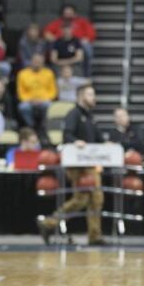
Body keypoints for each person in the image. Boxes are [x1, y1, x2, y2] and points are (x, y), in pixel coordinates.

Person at [37, 85, 106, 246]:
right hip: (77, 165)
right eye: (90, 94)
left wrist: (107, 144)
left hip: (91, 163)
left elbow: (98, 138)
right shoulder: (73, 114)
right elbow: (66, 134)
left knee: (96, 199)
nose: (93, 98)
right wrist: (75, 141)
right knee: (81, 199)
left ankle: (94, 235)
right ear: (81, 96)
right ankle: (49, 223)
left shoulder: (90, 117)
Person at [44, 5, 96, 76]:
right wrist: (55, 39)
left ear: (74, 13)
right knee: (49, 45)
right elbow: (47, 32)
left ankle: (86, 74)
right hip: (60, 45)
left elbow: (92, 33)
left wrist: (86, 39)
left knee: (86, 46)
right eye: (66, 13)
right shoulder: (57, 23)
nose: (68, 15)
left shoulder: (82, 22)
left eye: (70, 12)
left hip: (78, 45)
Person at [16, 53, 57, 138]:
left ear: (43, 62)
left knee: (50, 106)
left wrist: (44, 99)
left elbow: (53, 91)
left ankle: (43, 127)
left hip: (44, 100)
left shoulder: (49, 73)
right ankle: (32, 126)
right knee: (23, 107)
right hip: (29, 100)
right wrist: (30, 100)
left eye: (39, 62)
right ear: (31, 62)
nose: (37, 63)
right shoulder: (22, 74)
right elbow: (20, 92)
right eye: (35, 61)